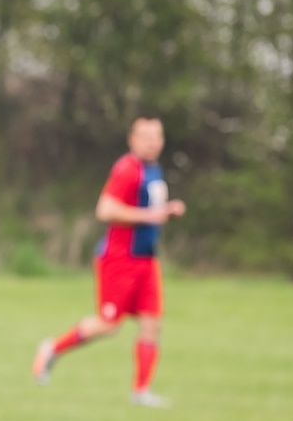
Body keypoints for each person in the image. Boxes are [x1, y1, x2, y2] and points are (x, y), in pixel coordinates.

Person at [32, 117, 186, 406]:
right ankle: (52, 348)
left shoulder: (153, 169)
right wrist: (152, 215)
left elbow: (150, 210)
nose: (152, 142)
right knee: (108, 324)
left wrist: (166, 211)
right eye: (145, 137)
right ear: (132, 140)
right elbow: (106, 209)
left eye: (157, 136)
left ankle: (141, 391)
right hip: (119, 259)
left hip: (146, 260)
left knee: (152, 323)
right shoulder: (127, 169)